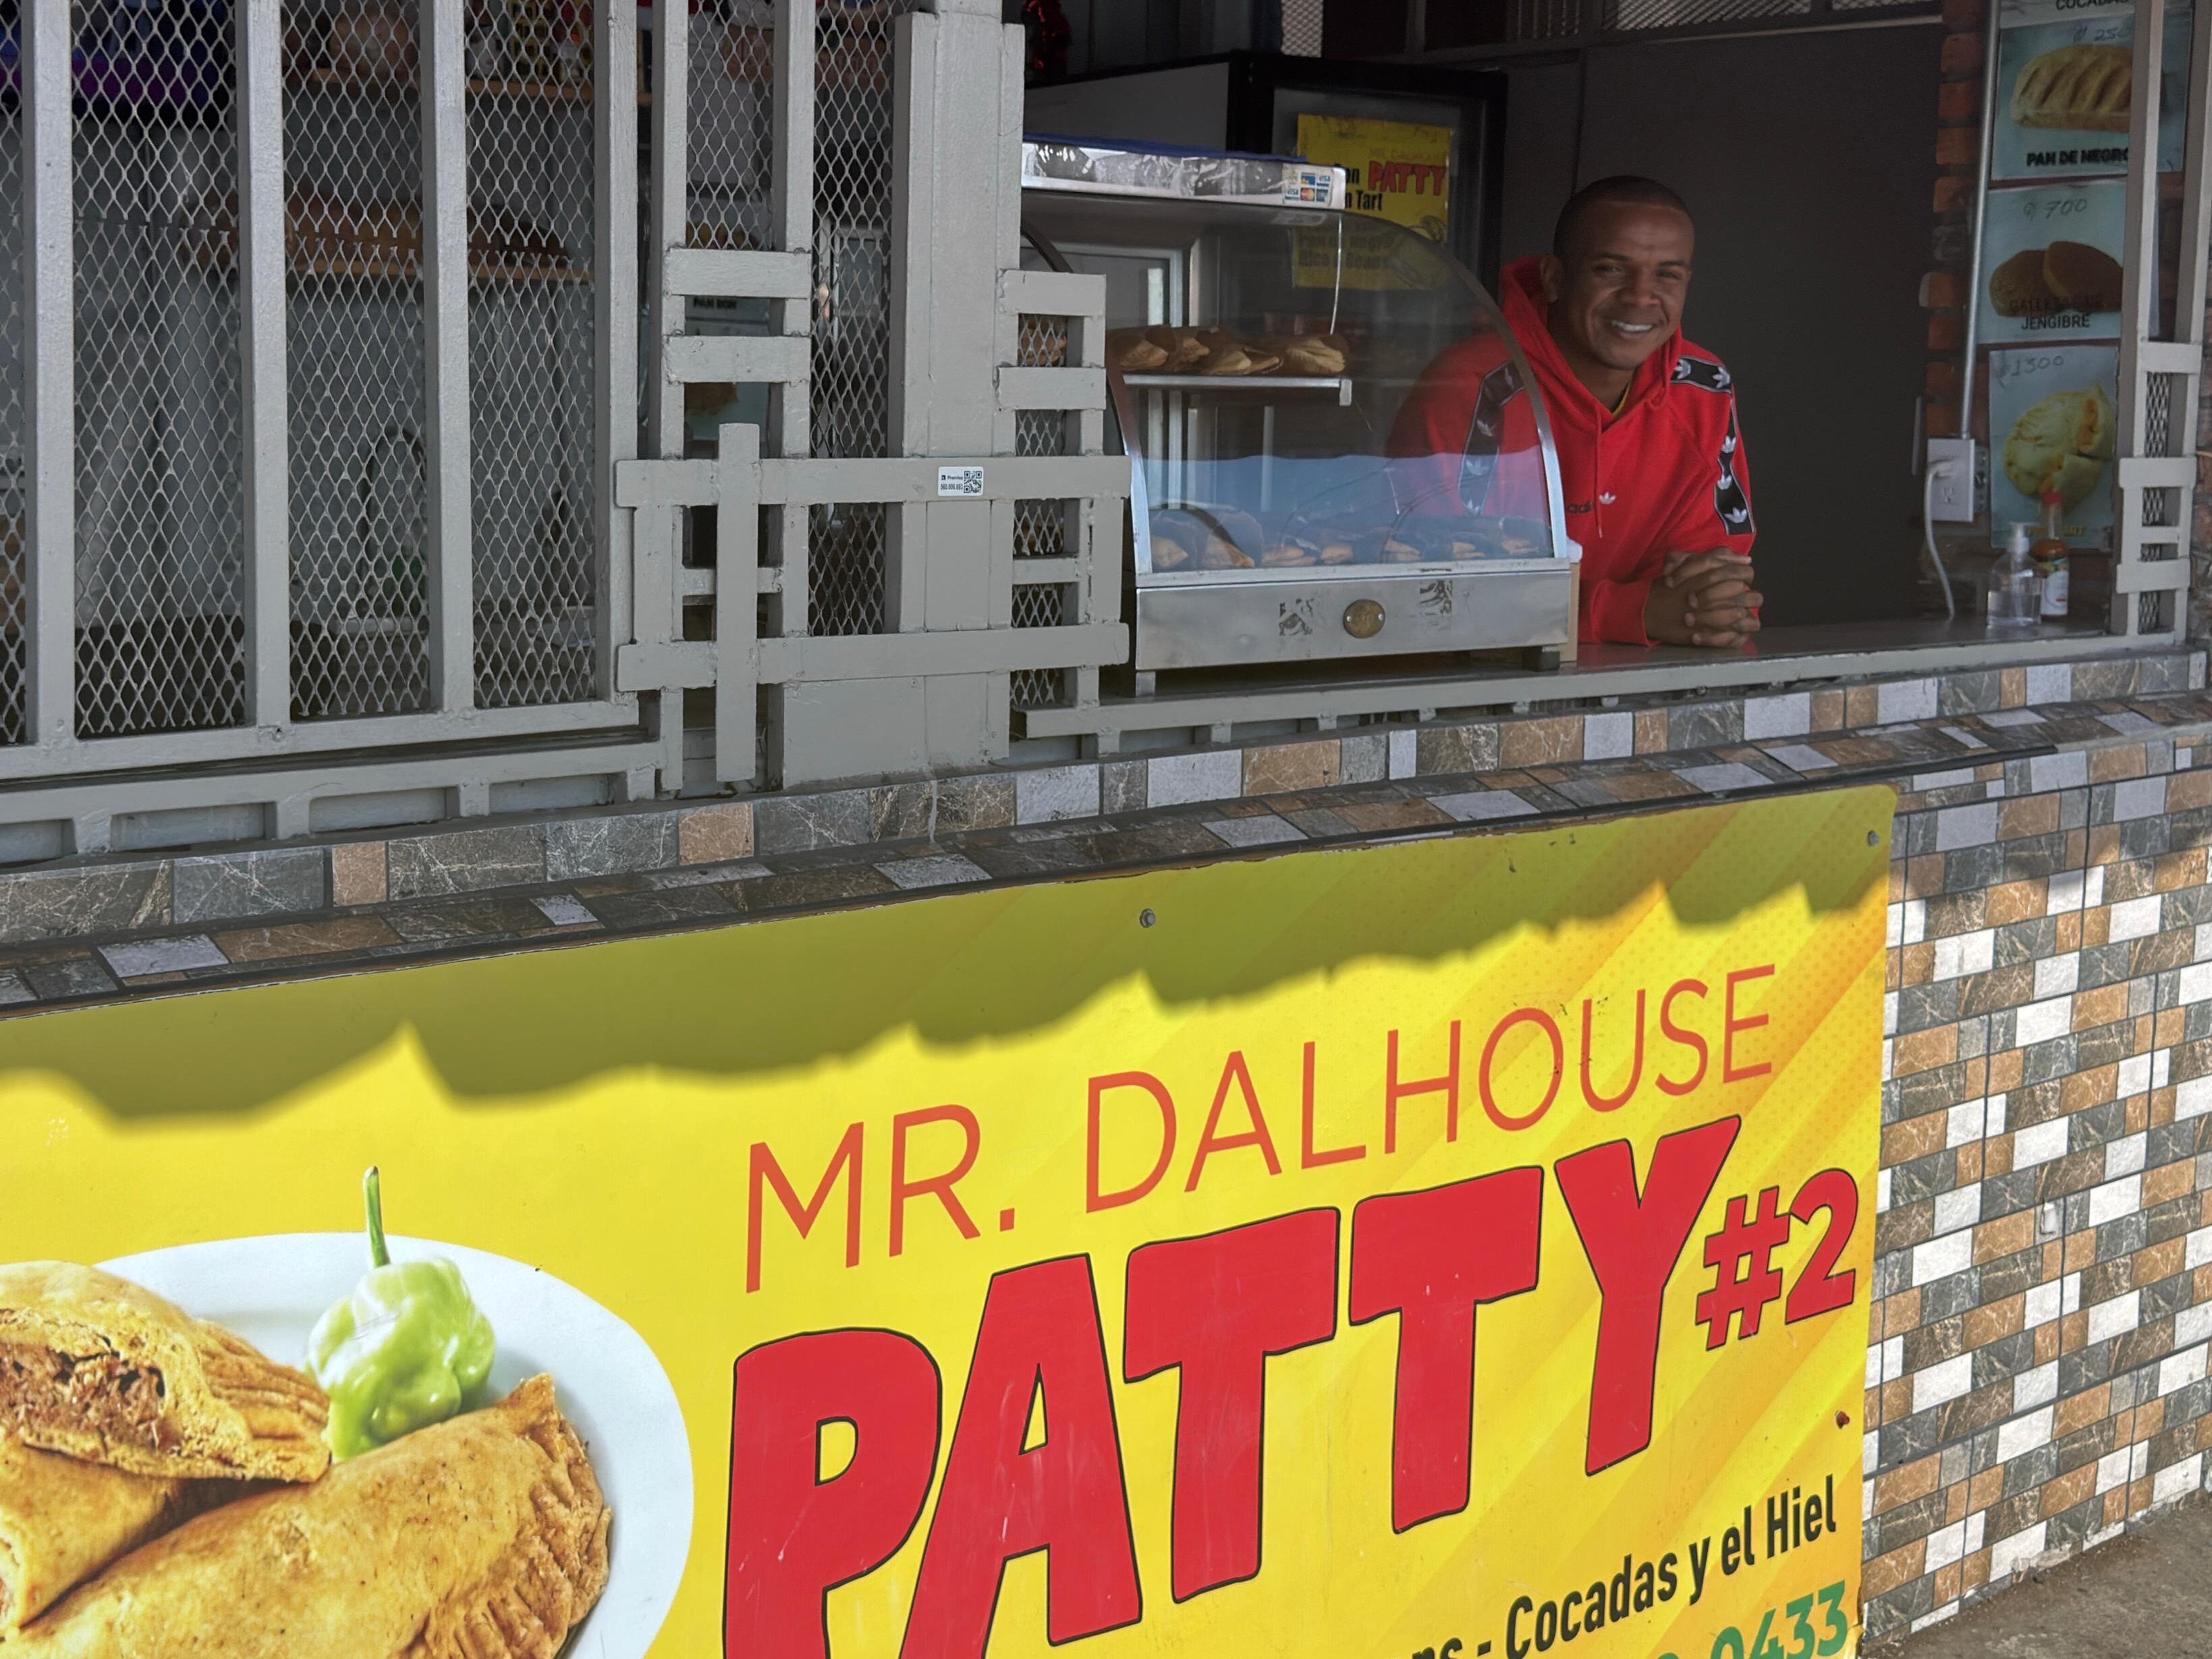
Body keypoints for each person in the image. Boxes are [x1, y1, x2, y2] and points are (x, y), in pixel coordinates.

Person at [1389, 176, 1759, 649]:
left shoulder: (1704, 385)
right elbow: (1437, 592)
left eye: (1667, 274)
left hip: (1646, 678)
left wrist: (1685, 608)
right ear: (1555, 278)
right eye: (1611, 269)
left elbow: (1708, 585)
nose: (1640, 297)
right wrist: (1633, 612)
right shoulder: (1471, 385)